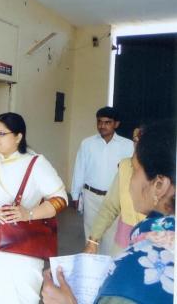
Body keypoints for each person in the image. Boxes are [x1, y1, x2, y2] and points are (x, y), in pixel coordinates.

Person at [42, 120, 175, 304]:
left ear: (159, 185)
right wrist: (92, 240)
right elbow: (110, 206)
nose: (130, 180)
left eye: (135, 171)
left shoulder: (136, 271)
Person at [0, 112, 68, 304]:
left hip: (17, 249)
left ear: (18, 137)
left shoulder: (36, 163)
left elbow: (60, 199)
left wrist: (29, 213)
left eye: (2, 134)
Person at [71, 106, 133, 254]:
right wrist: (75, 194)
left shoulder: (128, 145)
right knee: (91, 236)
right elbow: (79, 168)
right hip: (91, 196)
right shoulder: (87, 143)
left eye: (107, 122)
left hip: (115, 199)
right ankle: (92, 271)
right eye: (99, 122)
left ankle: (107, 272)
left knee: (111, 238)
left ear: (116, 124)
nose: (102, 126)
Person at [85, 128, 146, 256]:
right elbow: (110, 207)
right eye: (135, 140)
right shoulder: (125, 166)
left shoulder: (167, 175)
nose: (138, 145)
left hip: (154, 247)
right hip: (122, 244)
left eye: (144, 141)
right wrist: (93, 240)